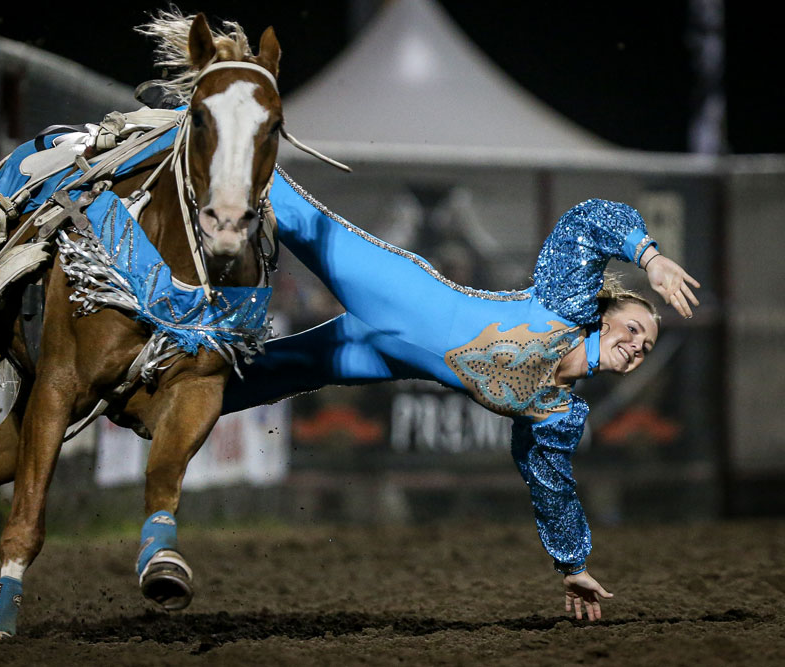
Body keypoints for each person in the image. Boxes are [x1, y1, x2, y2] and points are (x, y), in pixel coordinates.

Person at [224, 168, 701, 622]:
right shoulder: (566, 301)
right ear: (606, 317)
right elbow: (588, 218)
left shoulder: (557, 413)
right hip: (399, 294)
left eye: (647, 346)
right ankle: (198, 129)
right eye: (635, 329)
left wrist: (572, 566)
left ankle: (153, 393)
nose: (638, 346)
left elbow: (552, 489)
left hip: (380, 358)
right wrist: (650, 258)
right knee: (301, 221)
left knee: (258, 379)